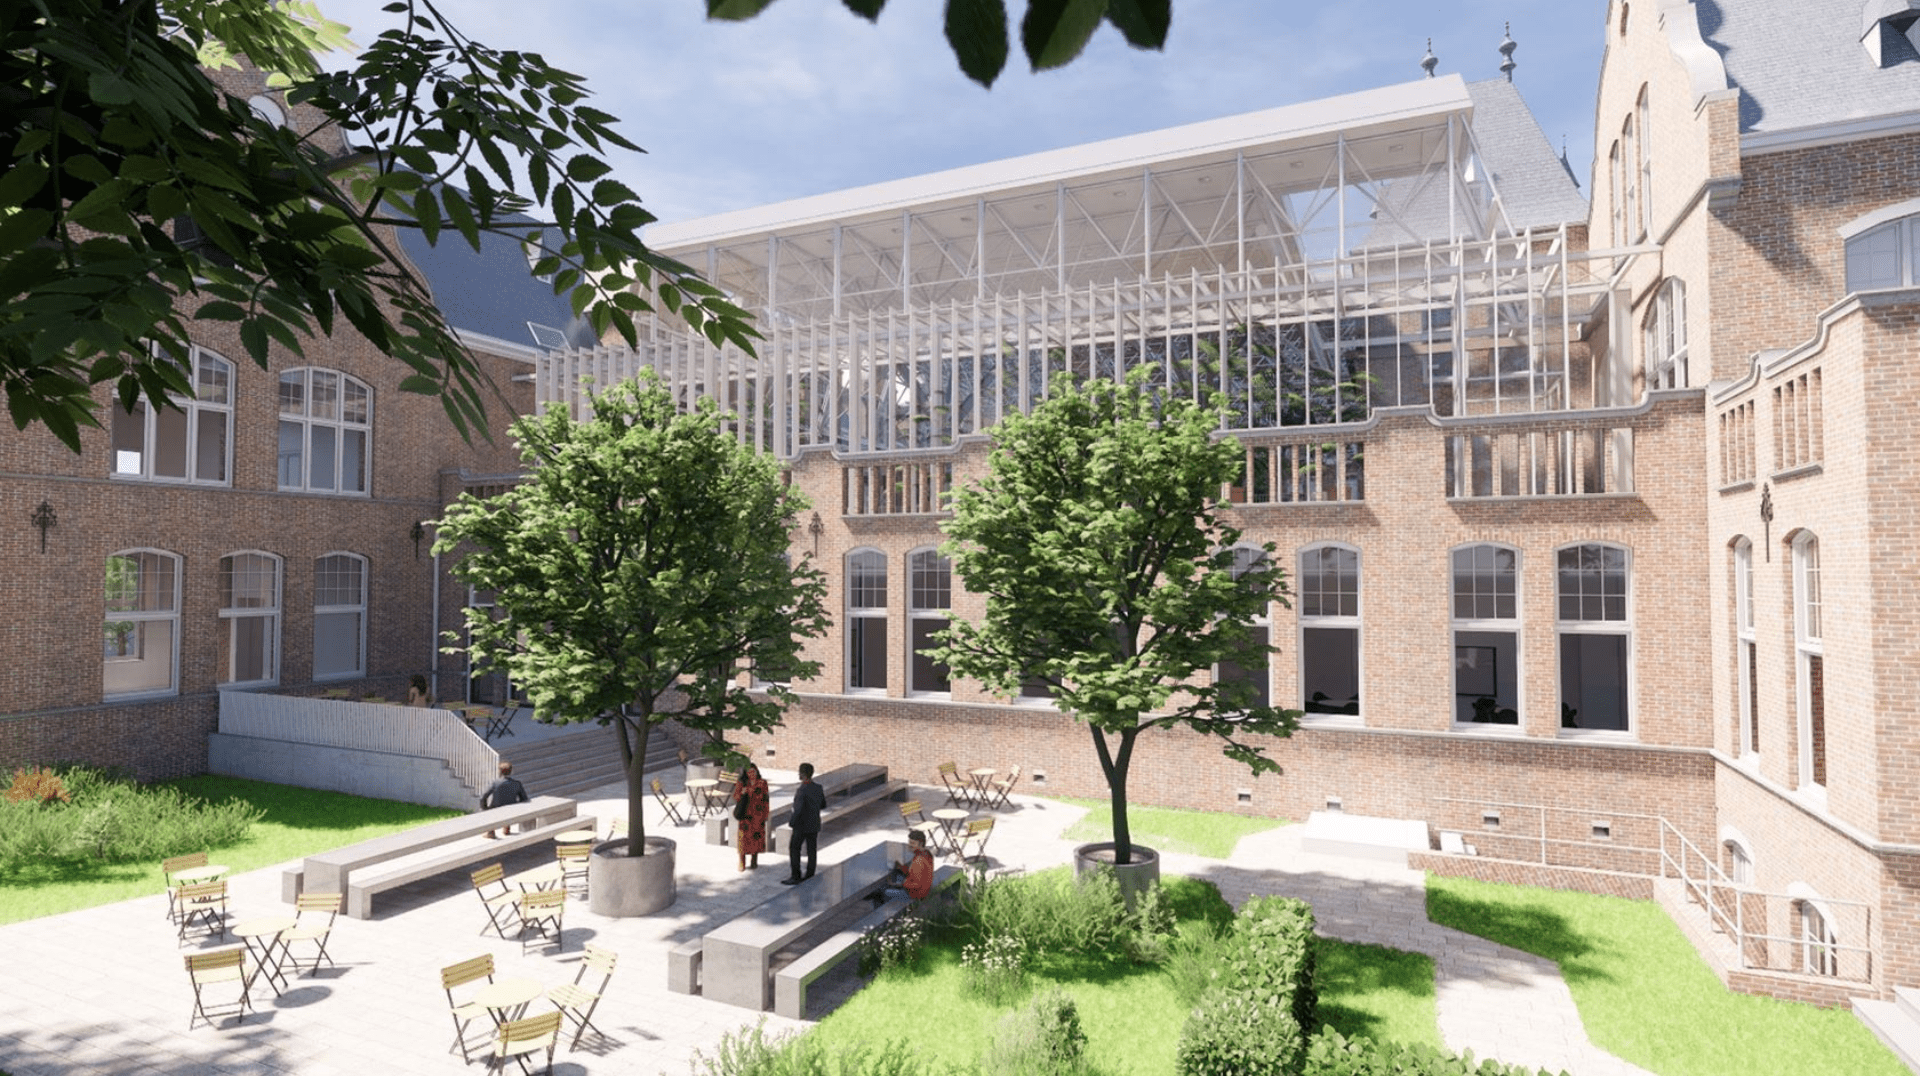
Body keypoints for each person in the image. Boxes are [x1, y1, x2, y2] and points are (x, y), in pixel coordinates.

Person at [782, 762, 826, 885]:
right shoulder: (818, 788)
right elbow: (823, 804)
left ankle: (796, 876)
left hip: (801, 825)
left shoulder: (802, 790)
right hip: (814, 824)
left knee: (794, 849)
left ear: (802, 774)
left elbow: (798, 810)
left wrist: (792, 823)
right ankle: (810, 874)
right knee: (812, 850)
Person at [873, 828, 934, 906]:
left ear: (920, 844)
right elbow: (915, 874)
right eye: (909, 842)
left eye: (913, 843)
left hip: (916, 895)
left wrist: (900, 884)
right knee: (897, 876)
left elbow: (917, 885)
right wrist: (902, 868)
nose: (910, 845)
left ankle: (882, 913)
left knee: (881, 894)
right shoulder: (926, 853)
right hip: (924, 888)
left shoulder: (919, 861)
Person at [732, 762, 771, 872]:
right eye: (749, 772)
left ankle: (754, 860)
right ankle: (742, 861)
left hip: (758, 816)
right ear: (746, 773)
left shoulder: (762, 783)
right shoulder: (742, 783)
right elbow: (735, 797)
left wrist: (766, 814)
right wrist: (742, 792)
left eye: (753, 771)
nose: (751, 774)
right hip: (745, 816)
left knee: (757, 839)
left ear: (757, 771)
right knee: (743, 839)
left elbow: (766, 799)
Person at [479, 761, 528, 840]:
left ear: (499, 771)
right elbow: (524, 798)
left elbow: (484, 796)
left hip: (496, 809)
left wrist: (484, 807)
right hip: (511, 810)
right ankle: (506, 829)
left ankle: (491, 832)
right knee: (508, 804)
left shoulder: (495, 783)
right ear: (511, 771)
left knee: (492, 807)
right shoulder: (517, 783)